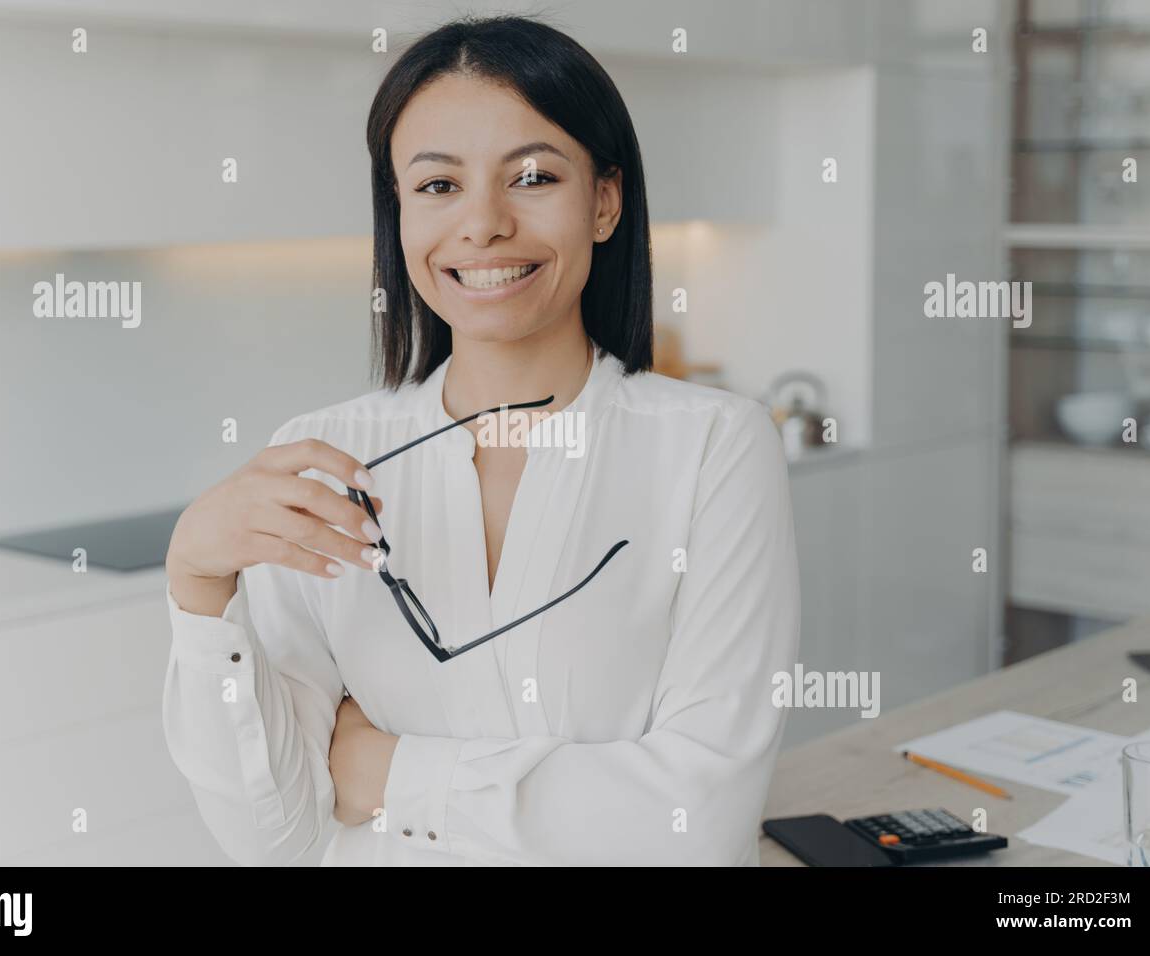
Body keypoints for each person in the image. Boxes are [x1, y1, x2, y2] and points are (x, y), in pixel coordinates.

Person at [162, 14, 800, 866]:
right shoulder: (321, 457)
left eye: (532, 176)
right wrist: (198, 587)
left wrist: (388, 772)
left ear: (604, 201)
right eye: (437, 187)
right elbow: (272, 836)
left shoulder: (715, 448)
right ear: (399, 215)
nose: (484, 224)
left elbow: (699, 826)